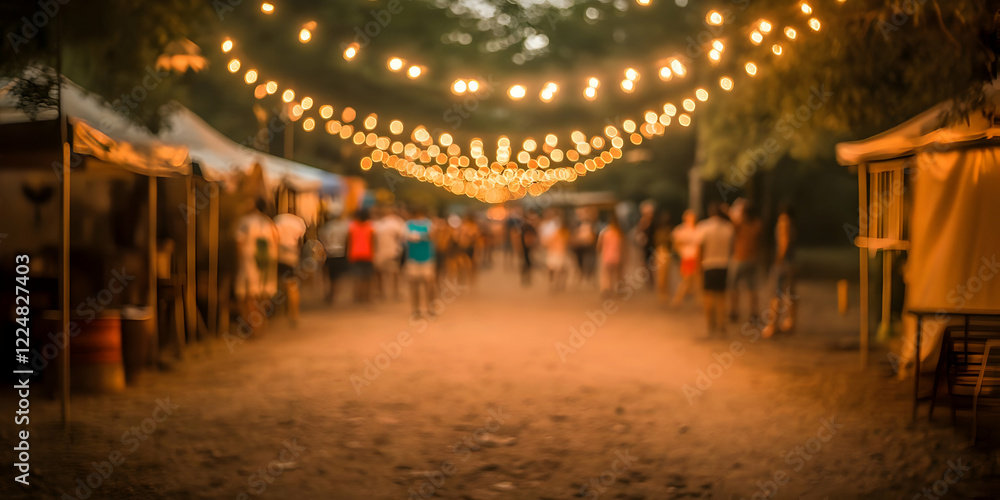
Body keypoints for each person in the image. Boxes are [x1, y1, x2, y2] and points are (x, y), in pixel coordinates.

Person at [234, 199, 279, 330]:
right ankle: (259, 321)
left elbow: (239, 242)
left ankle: (254, 324)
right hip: (267, 265)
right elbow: (276, 241)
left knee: (248, 295)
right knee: (261, 295)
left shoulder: (245, 222)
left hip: (249, 263)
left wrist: (240, 260)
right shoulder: (269, 223)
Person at [697, 202, 735, 336]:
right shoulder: (729, 228)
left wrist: (699, 265)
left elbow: (700, 247)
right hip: (723, 265)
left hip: (708, 264)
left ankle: (710, 325)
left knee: (708, 296)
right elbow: (732, 248)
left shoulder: (704, 226)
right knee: (721, 297)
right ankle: (721, 324)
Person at [763, 206, 797, 338]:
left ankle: (772, 326)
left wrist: (779, 258)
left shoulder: (783, 221)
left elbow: (784, 240)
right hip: (791, 262)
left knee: (775, 294)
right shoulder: (793, 224)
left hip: (783, 263)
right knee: (790, 294)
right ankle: (791, 323)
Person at [730, 203, 762, 322]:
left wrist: (732, 210)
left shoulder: (740, 225)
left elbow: (732, 220)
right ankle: (753, 313)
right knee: (752, 289)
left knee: (734, 287)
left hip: (739, 258)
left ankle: (734, 311)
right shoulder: (757, 225)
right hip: (752, 259)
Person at [273, 212, 307, 327]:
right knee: (292, 286)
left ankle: (277, 311)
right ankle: (294, 314)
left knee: (277, 284)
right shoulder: (298, 223)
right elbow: (300, 243)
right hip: (292, 257)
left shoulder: (277, 220)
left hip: (277, 255)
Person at [405, 205, 436, 319]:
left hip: (427, 259)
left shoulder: (429, 224)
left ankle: (430, 308)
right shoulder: (408, 225)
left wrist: (422, 236)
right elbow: (404, 238)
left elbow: (434, 236)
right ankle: (416, 310)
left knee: (429, 285)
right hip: (413, 259)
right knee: (415, 285)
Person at [372, 205, 407, 301]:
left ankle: (383, 291)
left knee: (381, 273)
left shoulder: (378, 223)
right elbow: (402, 237)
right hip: (392, 251)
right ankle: (394, 292)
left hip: (382, 251)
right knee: (393, 272)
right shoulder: (397, 222)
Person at [318, 206, 349, 306]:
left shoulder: (326, 227)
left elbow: (321, 240)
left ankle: (329, 293)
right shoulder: (345, 226)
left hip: (329, 253)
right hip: (341, 253)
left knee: (328, 275)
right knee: (338, 276)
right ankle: (334, 295)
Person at [671, 209, 701, 306]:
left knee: (697, 280)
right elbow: (676, 245)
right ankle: (677, 300)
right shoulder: (680, 230)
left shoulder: (698, 229)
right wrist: (682, 251)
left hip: (697, 258)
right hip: (687, 257)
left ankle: (700, 301)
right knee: (687, 280)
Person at [346, 209, 375, 303]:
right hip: (368, 254)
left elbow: (348, 241)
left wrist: (348, 253)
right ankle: (366, 296)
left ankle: (357, 296)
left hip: (355, 254)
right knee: (367, 278)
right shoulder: (370, 227)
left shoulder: (352, 226)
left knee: (356, 277)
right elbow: (373, 242)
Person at [596, 214, 624, 297]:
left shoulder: (605, 232)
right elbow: (622, 246)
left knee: (607, 275)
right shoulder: (619, 233)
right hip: (617, 256)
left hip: (607, 256)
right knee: (616, 275)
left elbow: (599, 246)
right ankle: (618, 290)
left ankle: (607, 289)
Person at [543, 212, 571, 292]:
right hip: (558, 253)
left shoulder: (559, 233)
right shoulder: (562, 233)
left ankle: (554, 284)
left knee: (555, 270)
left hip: (556, 253)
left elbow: (548, 242)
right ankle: (556, 284)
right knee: (558, 270)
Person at [454, 213, 481, 286]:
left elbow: (475, 236)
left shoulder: (472, 226)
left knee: (471, 264)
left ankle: (470, 280)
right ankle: (463, 278)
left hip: (469, 247)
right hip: (462, 247)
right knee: (461, 263)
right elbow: (456, 237)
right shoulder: (463, 226)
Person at [652, 212, 673, 301]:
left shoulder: (660, 231)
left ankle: (663, 293)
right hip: (663, 252)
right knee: (663, 275)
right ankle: (663, 293)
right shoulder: (665, 231)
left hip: (661, 252)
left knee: (663, 274)